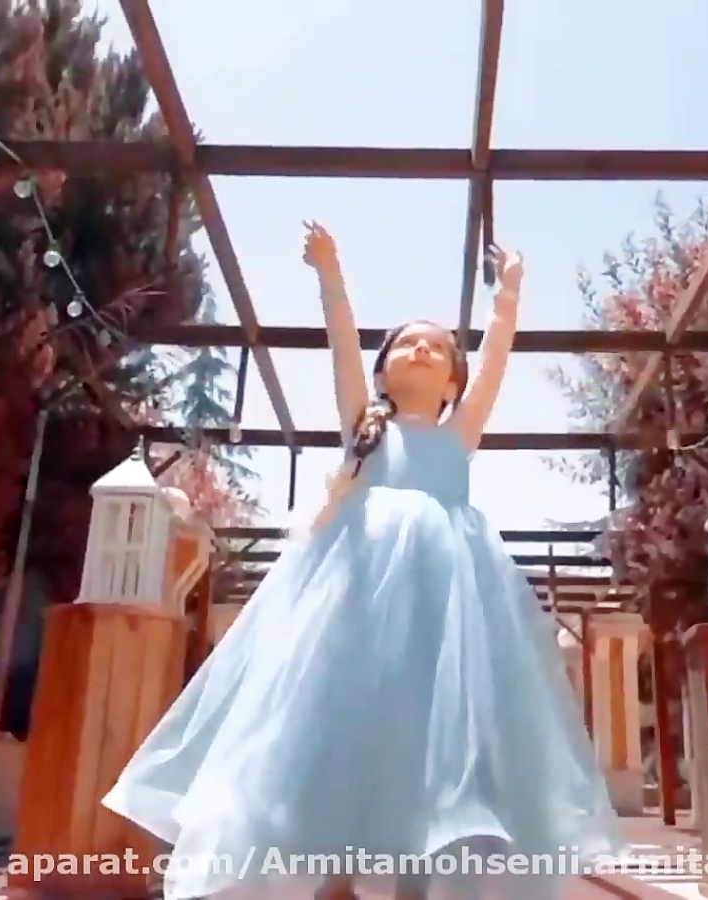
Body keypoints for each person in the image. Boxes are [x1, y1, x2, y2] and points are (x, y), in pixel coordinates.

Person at [102, 223, 621, 900]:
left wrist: (509, 296)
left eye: (437, 348)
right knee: (338, 723)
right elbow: (341, 343)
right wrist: (331, 273)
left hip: (443, 608)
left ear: (453, 385)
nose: (422, 349)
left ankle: (416, 877)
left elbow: (496, 359)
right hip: (354, 596)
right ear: (382, 374)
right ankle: (335, 878)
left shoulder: (458, 435)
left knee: (428, 735)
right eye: (408, 343)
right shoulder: (364, 428)